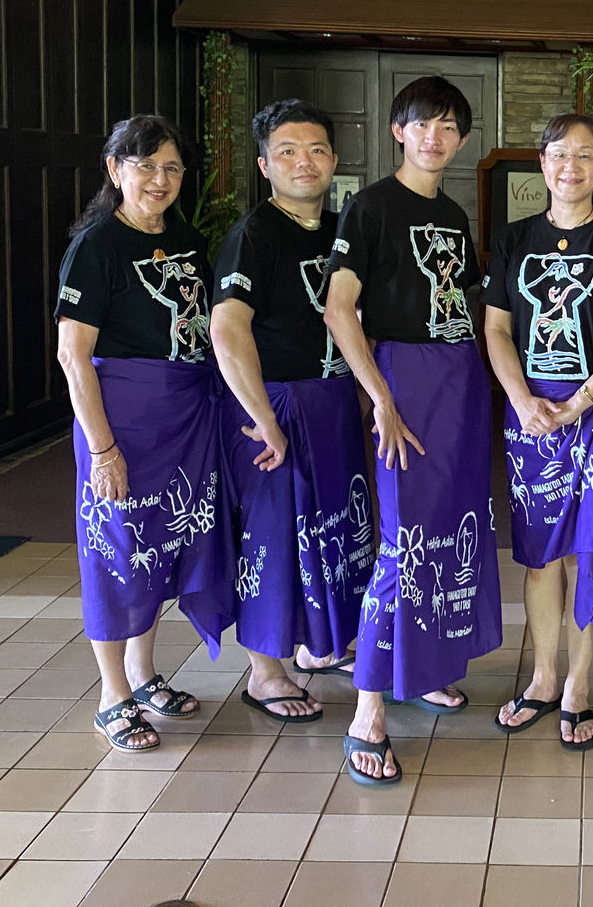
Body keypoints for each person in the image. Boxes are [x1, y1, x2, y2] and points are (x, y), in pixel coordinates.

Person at [326, 76, 502, 785]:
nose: (437, 136)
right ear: (399, 130)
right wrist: (382, 400)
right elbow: (341, 311)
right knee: (403, 542)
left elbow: (466, 308)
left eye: (450, 127)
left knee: (447, 530)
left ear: (462, 140)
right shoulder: (368, 208)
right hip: (403, 383)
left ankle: (421, 667)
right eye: (424, 123)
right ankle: (367, 709)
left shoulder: (455, 214)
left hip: (458, 384)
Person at [55, 116, 234, 751]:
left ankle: (143, 671)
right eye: (144, 166)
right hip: (123, 422)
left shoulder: (185, 237)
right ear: (114, 170)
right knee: (116, 552)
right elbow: (73, 357)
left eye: (171, 168)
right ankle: (113, 696)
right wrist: (102, 449)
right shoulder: (97, 246)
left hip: (184, 419)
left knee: (161, 547)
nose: (158, 180)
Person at [484, 114, 593, 751]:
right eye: (560, 155)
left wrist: (581, 400)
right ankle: (542, 676)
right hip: (529, 414)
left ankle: (579, 684)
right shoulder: (514, 239)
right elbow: (497, 328)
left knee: (589, 553)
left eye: (585, 156)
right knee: (540, 558)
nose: (571, 167)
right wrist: (521, 398)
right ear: (543, 163)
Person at [210, 100, 375, 725]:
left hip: (330, 401)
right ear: (264, 165)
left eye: (315, 151)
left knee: (334, 529)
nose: (303, 162)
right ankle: (265, 671)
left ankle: (319, 642)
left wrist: (361, 395)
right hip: (274, 405)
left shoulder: (341, 230)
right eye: (287, 151)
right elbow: (228, 330)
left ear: (334, 160)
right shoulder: (253, 235)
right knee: (273, 537)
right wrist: (266, 416)